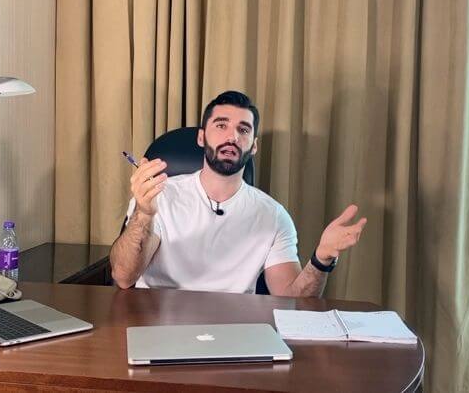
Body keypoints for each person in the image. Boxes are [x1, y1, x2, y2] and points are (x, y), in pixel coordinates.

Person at [109, 91, 367, 297]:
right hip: (157, 323)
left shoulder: (273, 216)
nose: (232, 136)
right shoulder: (157, 196)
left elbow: (292, 300)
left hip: (235, 329)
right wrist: (144, 214)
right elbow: (123, 277)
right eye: (221, 125)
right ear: (201, 138)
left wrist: (322, 259)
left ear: (253, 146)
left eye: (243, 130)